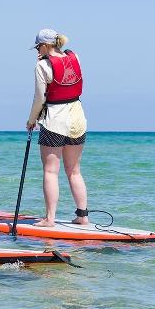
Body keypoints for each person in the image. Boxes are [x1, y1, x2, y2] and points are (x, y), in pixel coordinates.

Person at [26, 29, 89, 227]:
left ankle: (50, 219)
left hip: (55, 119)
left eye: (38, 47)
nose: (37, 51)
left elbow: (39, 98)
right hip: (78, 116)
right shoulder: (74, 57)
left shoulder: (42, 66)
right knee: (74, 171)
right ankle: (82, 216)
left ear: (44, 46)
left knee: (51, 171)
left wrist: (31, 120)